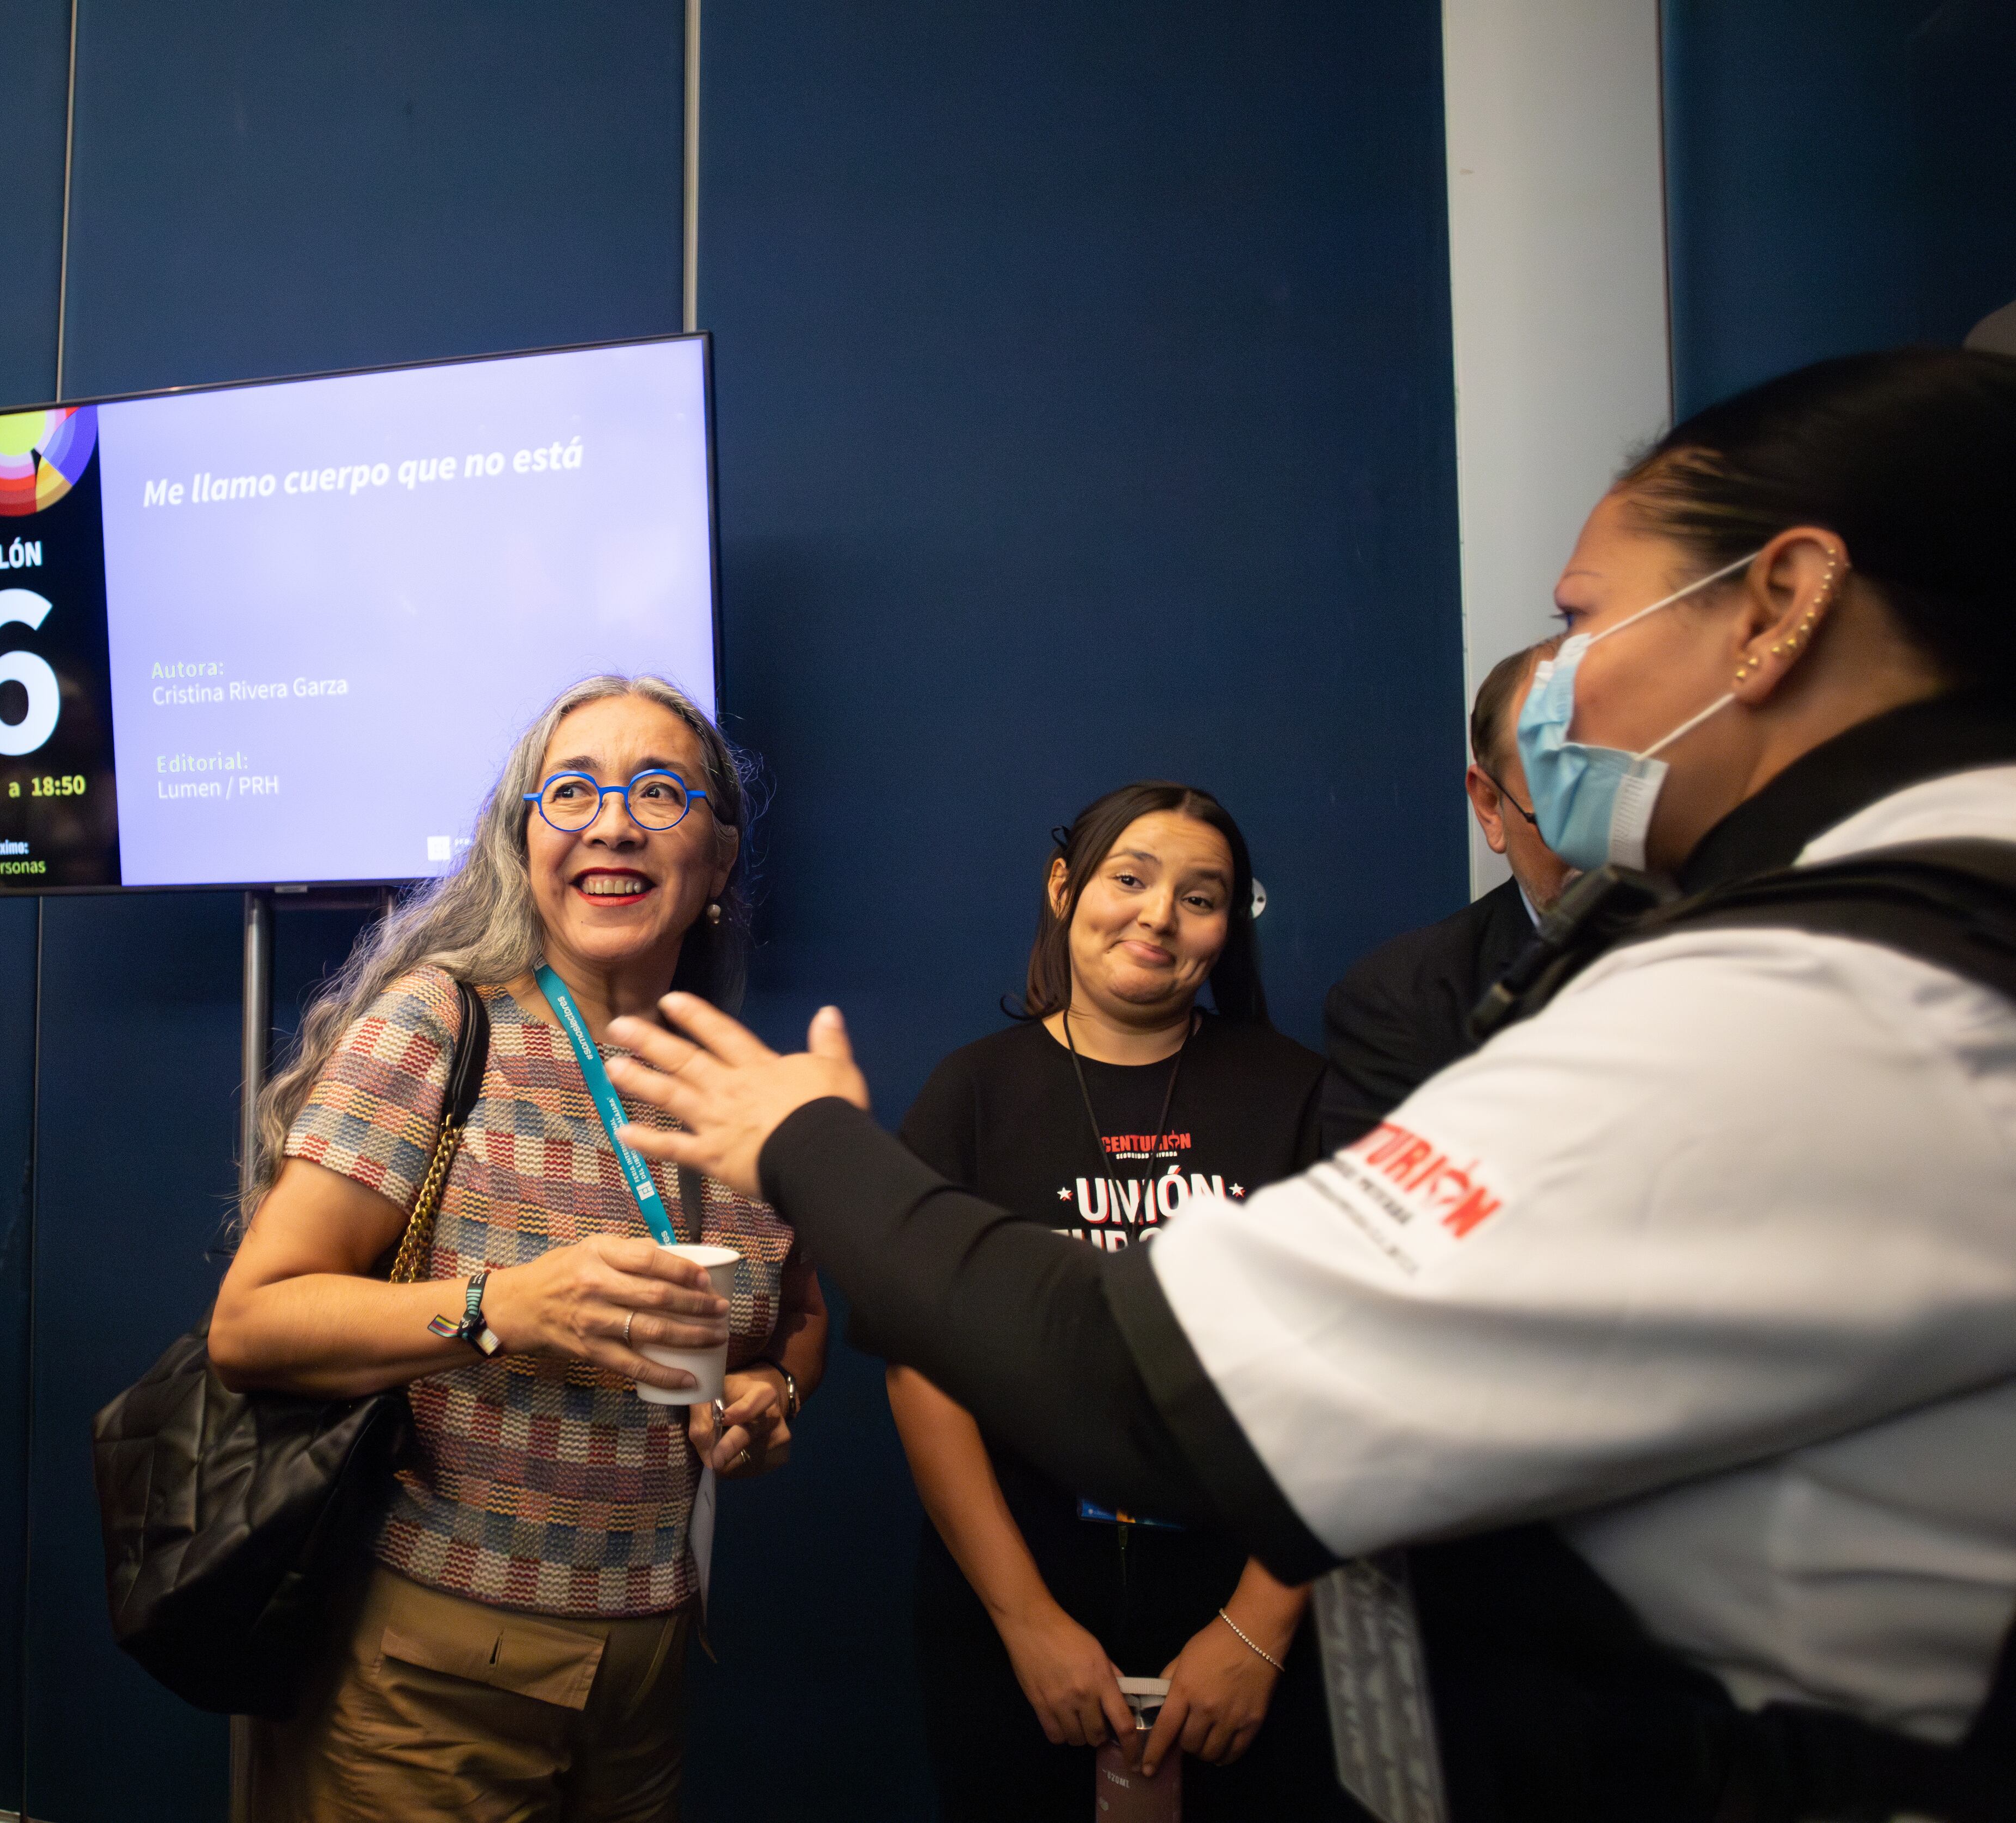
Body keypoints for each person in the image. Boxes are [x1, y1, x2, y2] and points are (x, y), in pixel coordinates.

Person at [597, 348, 2016, 1821]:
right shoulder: (1895, 938)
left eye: (1583, 618)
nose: (1560, 685)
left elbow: (1164, 1387)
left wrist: (807, 1141)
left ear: (1779, 604)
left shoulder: (1827, 999)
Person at [208, 674, 828, 1823]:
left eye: (659, 791)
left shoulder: (732, 1079)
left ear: (718, 862)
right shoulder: (441, 1026)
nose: (612, 821)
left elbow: (796, 1305)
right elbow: (253, 1322)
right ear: (525, 838)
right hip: (432, 1660)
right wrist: (502, 1307)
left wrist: (767, 1387)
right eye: (572, 791)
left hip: (646, 1660)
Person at [885, 782, 1356, 1819]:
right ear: (1066, 888)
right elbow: (925, 1370)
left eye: (1202, 895)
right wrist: (1027, 1623)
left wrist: (1256, 1631)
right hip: (1019, 1585)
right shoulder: (971, 1093)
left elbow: (1353, 1370)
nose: (1158, 915)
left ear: (1227, 928)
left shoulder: (1304, 1096)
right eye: (1130, 879)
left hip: (1251, 1586)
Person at [1318, 638, 1570, 1148]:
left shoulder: (1757, 939)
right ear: (1491, 806)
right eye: (1564, 805)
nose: (1605, 841)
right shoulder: (1407, 1001)